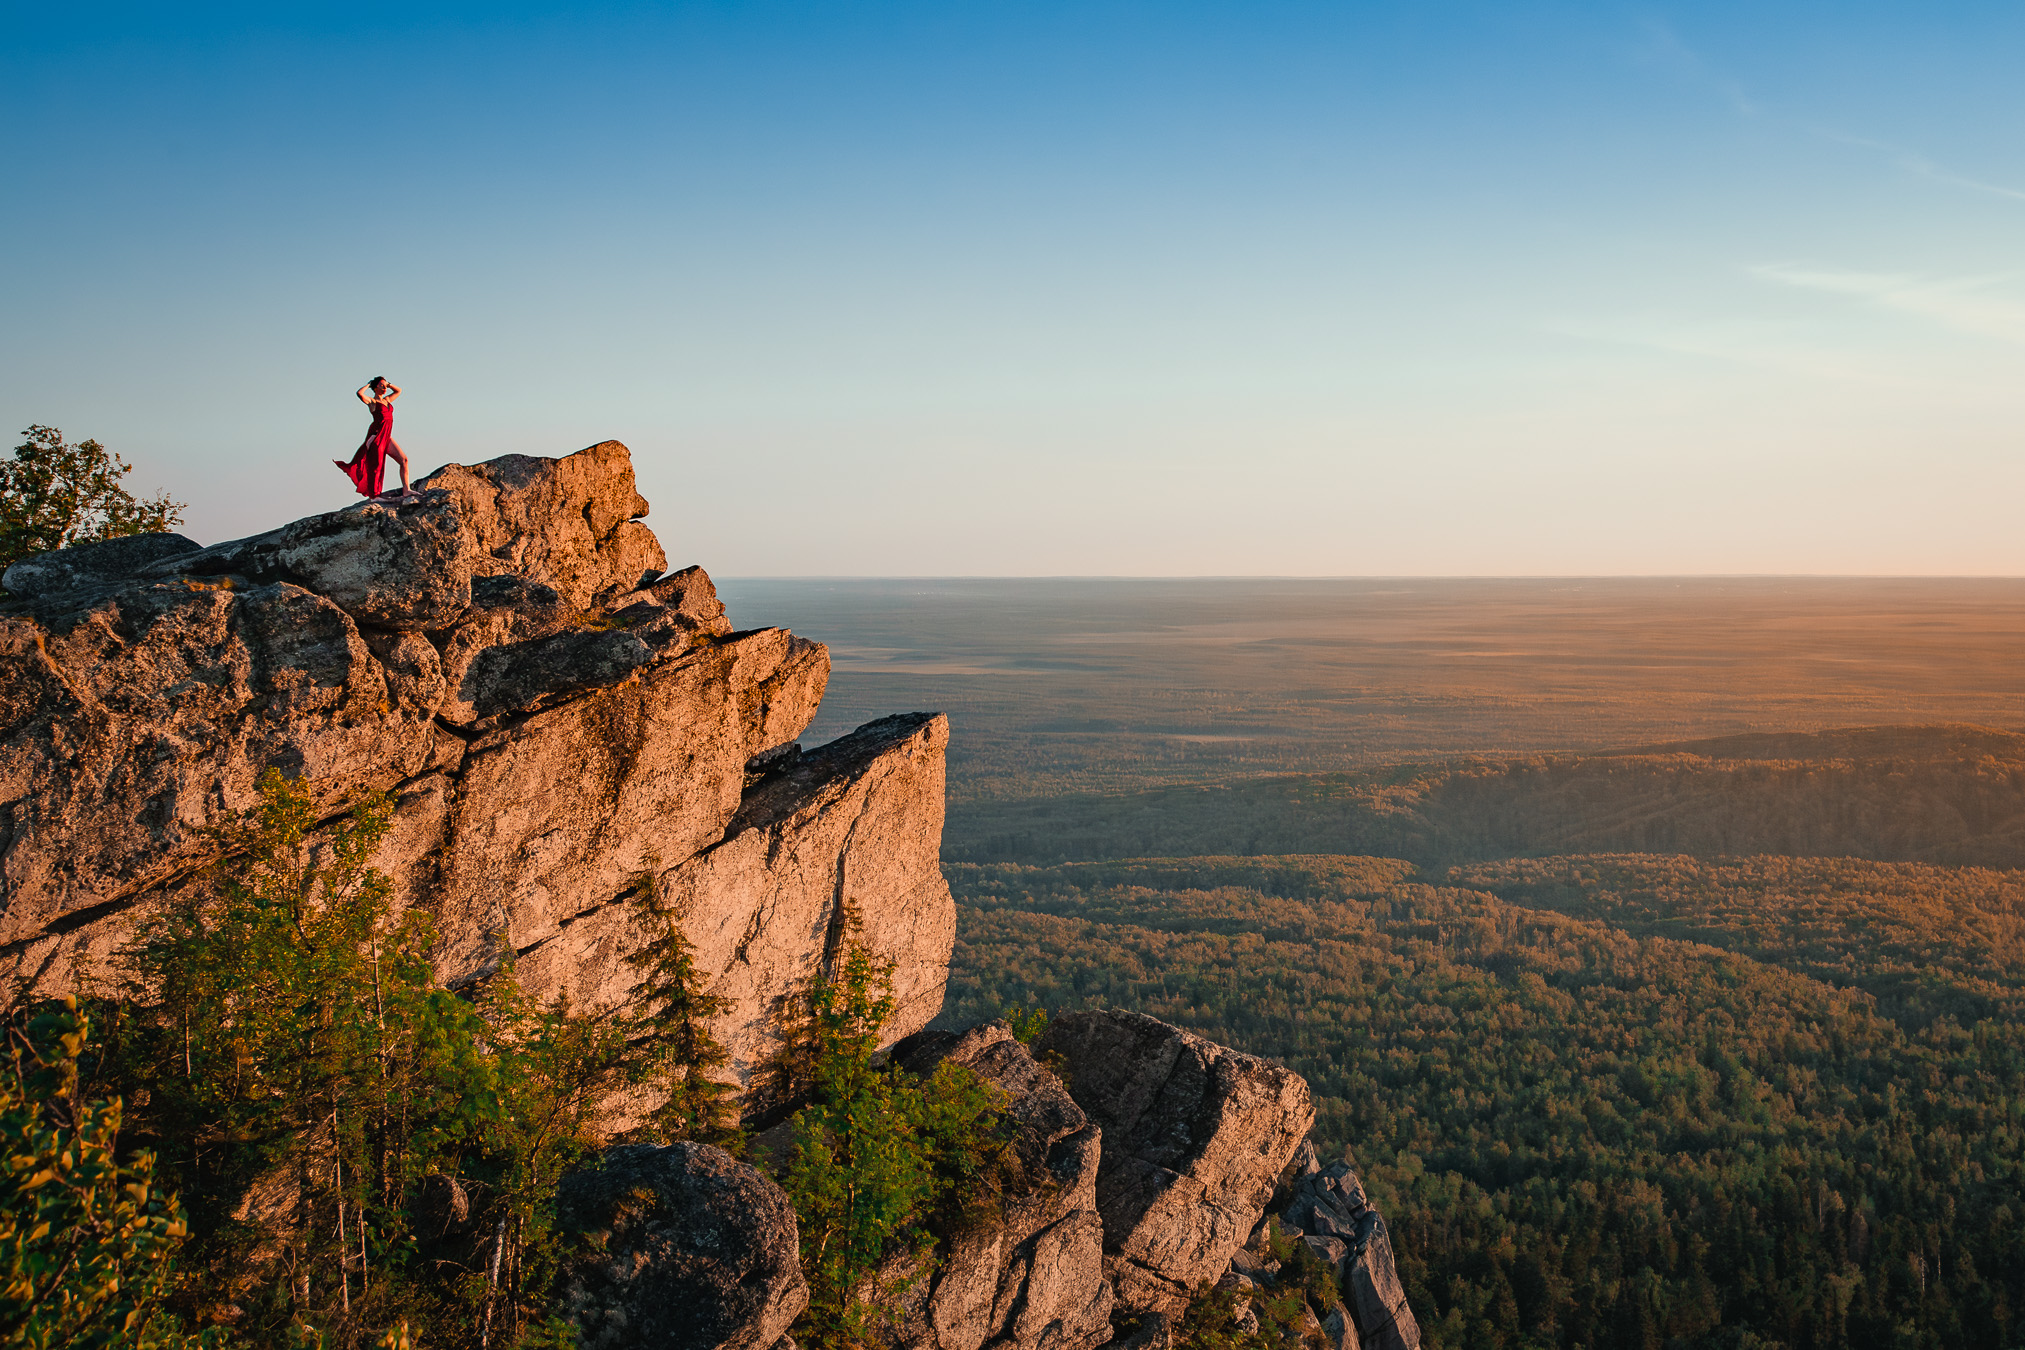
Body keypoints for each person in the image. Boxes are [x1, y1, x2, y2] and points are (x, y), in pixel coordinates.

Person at [335, 376, 415, 501]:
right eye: (381, 385)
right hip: (377, 437)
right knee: (376, 467)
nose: (384, 388)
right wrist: (369, 384)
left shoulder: (387, 400)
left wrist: (388, 384)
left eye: (385, 386)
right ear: (375, 387)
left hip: (387, 437)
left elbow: (399, 390)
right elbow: (359, 394)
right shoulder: (373, 402)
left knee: (404, 460)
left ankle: (406, 490)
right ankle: (374, 496)